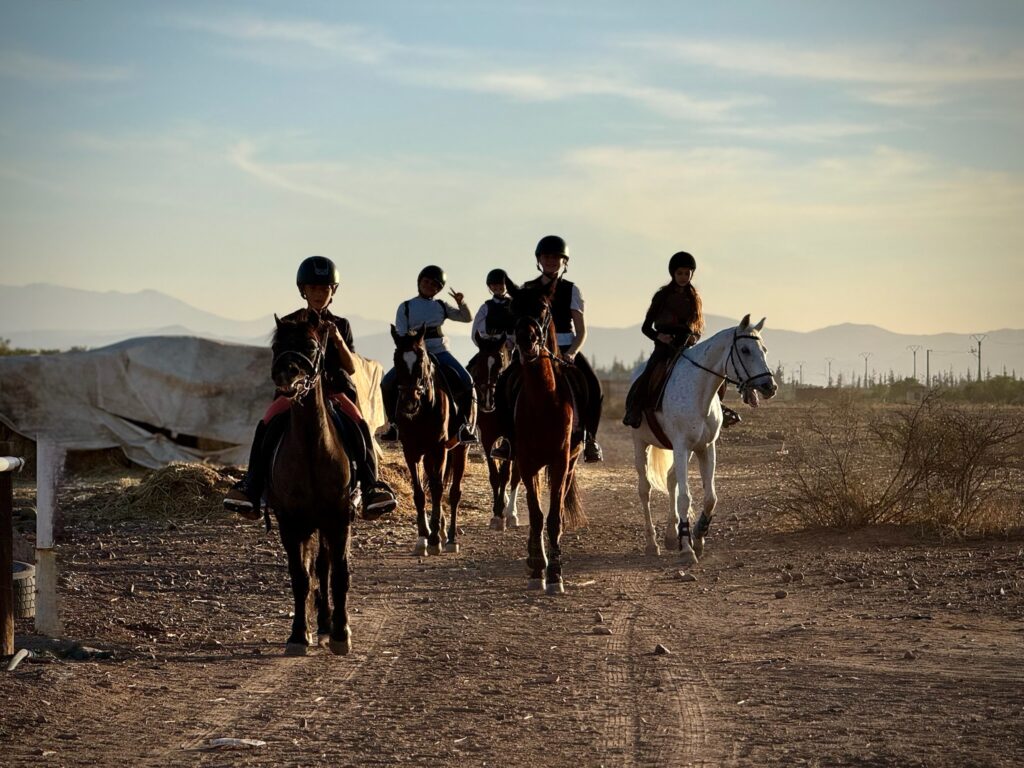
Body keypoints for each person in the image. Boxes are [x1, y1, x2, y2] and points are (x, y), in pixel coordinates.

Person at [224, 256, 398, 520]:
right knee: (266, 423)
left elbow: (351, 367)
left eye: (325, 288)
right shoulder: (289, 322)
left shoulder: (341, 324)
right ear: (303, 290)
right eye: (313, 288)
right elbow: (280, 360)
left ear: (333, 291)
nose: (319, 294)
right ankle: (252, 487)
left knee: (359, 424)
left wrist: (338, 341)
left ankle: (371, 486)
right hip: (296, 392)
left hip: (335, 391)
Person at [492, 235, 604, 463]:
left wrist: (572, 352)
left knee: (594, 386)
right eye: (547, 256)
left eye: (556, 257)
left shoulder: (572, 290)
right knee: (503, 383)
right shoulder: (528, 288)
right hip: (533, 349)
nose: (551, 261)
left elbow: (581, 331)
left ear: (565, 261)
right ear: (539, 259)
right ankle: (507, 439)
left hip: (565, 347)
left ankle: (590, 438)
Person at [621, 250, 742, 429]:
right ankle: (635, 408)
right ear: (673, 273)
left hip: (686, 344)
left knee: (714, 371)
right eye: (680, 273)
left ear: (692, 274)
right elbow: (646, 327)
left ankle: (718, 407)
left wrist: (695, 336)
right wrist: (659, 336)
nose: (684, 277)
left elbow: (698, 326)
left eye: (687, 273)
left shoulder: (694, 297)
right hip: (664, 345)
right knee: (649, 373)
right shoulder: (661, 296)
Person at [378, 265, 478, 445]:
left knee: (467, 381)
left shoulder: (441, 305)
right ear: (419, 281)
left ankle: (465, 427)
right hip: (414, 353)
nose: (429, 286)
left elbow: (466, 318)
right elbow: (401, 332)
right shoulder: (406, 306)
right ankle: (393, 425)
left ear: (438, 289)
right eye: (426, 282)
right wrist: (415, 342)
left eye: (434, 285)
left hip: (440, 351)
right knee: (386, 383)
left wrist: (461, 302)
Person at [470, 268, 516, 350]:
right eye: (494, 284)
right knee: (473, 363)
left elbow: (519, 327)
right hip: (489, 347)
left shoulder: (513, 306)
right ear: (490, 287)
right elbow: (475, 331)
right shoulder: (485, 307)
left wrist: (512, 342)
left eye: (500, 284)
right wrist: (483, 344)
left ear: (506, 285)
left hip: (509, 347)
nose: (497, 287)